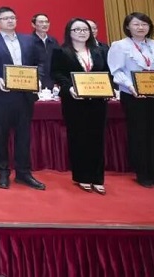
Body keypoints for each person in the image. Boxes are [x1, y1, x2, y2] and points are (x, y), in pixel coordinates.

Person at [0, 6, 46, 190]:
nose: (10, 21)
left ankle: (23, 173)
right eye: (5, 18)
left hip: (25, 95)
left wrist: (37, 78)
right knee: (1, 135)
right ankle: (3, 172)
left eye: (13, 17)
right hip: (1, 95)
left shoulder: (29, 40)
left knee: (24, 135)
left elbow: (40, 62)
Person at [108, 12, 154, 189]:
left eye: (144, 24)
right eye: (136, 24)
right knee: (138, 132)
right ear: (128, 27)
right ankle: (142, 172)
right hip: (133, 95)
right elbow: (117, 71)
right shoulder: (119, 46)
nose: (141, 27)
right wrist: (130, 86)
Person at [50, 18, 110, 195]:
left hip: (98, 100)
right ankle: (82, 176)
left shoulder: (100, 51)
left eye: (85, 29)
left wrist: (108, 88)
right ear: (69, 33)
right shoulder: (61, 51)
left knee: (97, 138)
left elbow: (107, 72)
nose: (82, 32)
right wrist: (69, 88)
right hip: (74, 100)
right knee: (78, 137)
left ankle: (98, 178)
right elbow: (56, 73)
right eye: (77, 29)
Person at [31, 13, 59, 89]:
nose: (44, 24)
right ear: (33, 25)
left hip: (52, 82)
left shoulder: (53, 41)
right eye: (41, 22)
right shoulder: (29, 42)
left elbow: (58, 62)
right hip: (35, 81)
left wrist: (57, 81)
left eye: (46, 22)